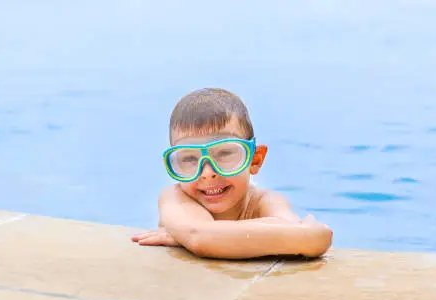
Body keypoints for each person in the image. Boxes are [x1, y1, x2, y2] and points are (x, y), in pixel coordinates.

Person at [131, 88, 333, 259]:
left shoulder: (266, 201)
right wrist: (195, 236)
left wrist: (190, 235)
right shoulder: (174, 198)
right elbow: (201, 237)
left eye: (225, 153)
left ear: (254, 160)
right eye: (189, 159)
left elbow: (311, 240)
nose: (207, 173)